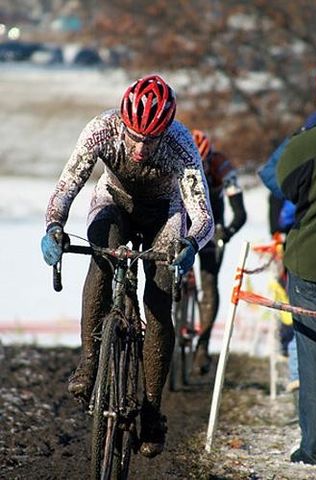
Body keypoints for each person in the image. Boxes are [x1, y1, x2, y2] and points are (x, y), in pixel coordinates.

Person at [40, 74, 214, 458]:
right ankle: (88, 362)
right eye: (134, 136)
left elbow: (203, 217)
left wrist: (190, 244)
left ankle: (152, 410)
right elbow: (67, 185)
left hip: (164, 215)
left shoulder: (182, 145)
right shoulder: (101, 129)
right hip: (114, 203)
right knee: (102, 261)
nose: (139, 148)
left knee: (158, 301)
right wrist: (54, 226)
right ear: (122, 122)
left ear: (165, 132)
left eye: (150, 140)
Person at [277, 119, 316, 465]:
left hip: (311, 264)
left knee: (313, 355)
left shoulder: (306, 145)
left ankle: (315, 447)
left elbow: (282, 184)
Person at [191, 129, 247, 374]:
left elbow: (240, 213)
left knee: (210, 281)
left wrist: (228, 232)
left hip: (214, 221)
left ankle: (202, 347)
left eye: (202, 164)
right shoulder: (176, 159)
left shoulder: (221, 165)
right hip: (184, 216)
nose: (199, 168)